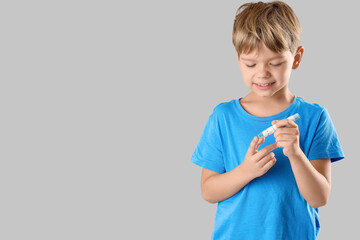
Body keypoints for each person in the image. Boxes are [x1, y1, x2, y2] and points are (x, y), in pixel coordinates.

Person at [190, 1, 344, 239]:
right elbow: (208, 191)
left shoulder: (316, 118)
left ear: (296, 57)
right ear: (238, 59)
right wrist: (245, 171)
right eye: (250, 64)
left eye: (275, 63)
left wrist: (295, 154)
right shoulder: (223, 117)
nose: (262, 73)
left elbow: (319, 197)